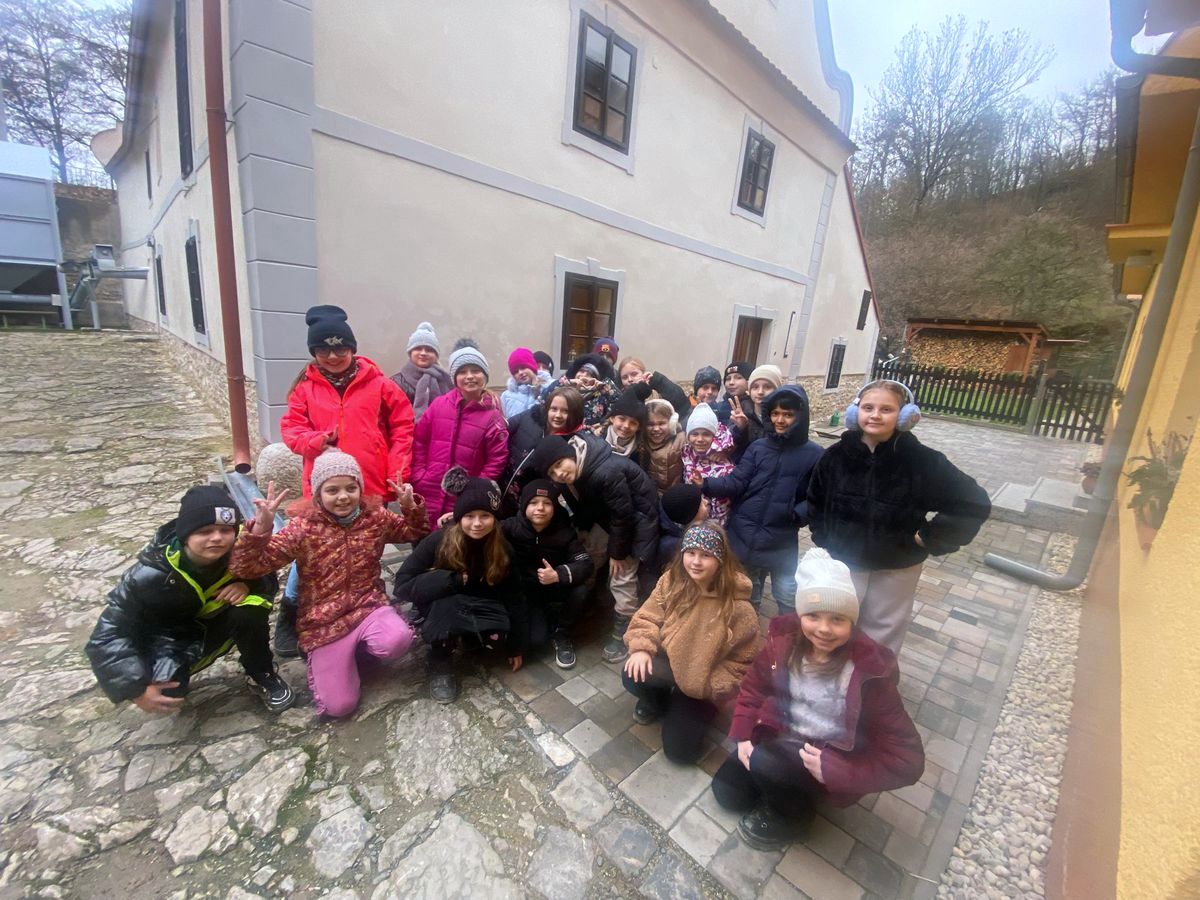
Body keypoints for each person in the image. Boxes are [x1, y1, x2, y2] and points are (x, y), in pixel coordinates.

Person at [712, 548, 925, 850]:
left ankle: (794, 816)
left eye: (837, 619)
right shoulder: (782, 644)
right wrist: (744, 735)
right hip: (776, 735)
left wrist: (843, 772)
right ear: (801, 615)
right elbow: (753, 689)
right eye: (813, 616)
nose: (824, 629)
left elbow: (907, 761)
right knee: (728, 793)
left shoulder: (870, 673)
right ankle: (775, 785)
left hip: (821, 757)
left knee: (766, 765)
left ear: (852, 621)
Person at [229, 452, 429, 718]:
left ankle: (362, 650)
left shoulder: (375, 517)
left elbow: (414, 532)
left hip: (367, 606)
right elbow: (247, 567)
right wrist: (259, 532)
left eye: (350, 488)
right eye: (332, 490)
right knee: (340, 707)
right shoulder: (303, 528)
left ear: (360, 488)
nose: (343, 497)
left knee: (397, 640)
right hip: (324, 621)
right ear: (318, 493)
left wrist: (410, 507)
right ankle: (329, 657)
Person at [807, 380, 991, 653]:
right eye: (868, 407)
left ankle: (872, 678)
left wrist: (929, 537)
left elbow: (973, 503)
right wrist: (825, 538)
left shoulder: (923, 461)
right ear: (855, 412)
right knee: (835, 626)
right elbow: (815, 499)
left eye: (886, 409)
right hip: (843, 560)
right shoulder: (834, 456)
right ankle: (832, 676)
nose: (875, 415)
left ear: (905, 416)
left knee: (882, 633)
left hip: (897, 565)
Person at [277, 305, 416, 656]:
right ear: (314, 352)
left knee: (365, 548)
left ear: (352, 348)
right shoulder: (305, 389)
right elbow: (291, 430)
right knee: (310, 550)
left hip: (368, 485)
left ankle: (362, 607)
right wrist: (317, 441)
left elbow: (403, 428)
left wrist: (396, 474)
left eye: (340, 348)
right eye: (323, 349)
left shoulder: (380, 385)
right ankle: (290, 611)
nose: (333, 356)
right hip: (323, 489)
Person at [86, 486, 293, 714]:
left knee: (251, 608)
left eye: (225, 530)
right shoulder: (147, 575)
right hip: (170, 640)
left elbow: (267, 576)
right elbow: (107, 635)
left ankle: (261, 672)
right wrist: (134, 686)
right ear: (185, 535)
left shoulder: (242, 549)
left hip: (217, 624)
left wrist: (247, 584)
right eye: (205, 531)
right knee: (168, 692)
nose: (217, 538)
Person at [622, 523, 760, 764]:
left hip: (701, 685)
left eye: (706, 555)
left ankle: (688, 711)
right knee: (632, 672)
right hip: (670, 664)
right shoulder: (671, 581)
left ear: (720, 560)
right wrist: (642, 647)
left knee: (679, 753)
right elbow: (647, 616)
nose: (696, 561)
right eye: (691, 553)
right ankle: (658, 701)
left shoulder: (739, 608)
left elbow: (745, 660)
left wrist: (712, 685)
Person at [393, 470, 526, 703]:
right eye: (469, 516)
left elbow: (515, 596)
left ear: (494, 518)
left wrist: (516, 645)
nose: (477, 523)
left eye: (485, 516)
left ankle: (469, 636)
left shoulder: (503, 547)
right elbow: (402, 584)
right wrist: (449, 580)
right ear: (459, 516)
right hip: (444, 602)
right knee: (446, 612)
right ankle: (440, 661)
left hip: (481, 602)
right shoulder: (439, 540)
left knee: (498, 640)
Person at [699, 385, 822, 611]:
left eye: (788, 414)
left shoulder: (815, 454)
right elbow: (737, 481)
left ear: (800, 416)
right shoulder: (758, 447)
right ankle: (749, 630)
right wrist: (706, 484)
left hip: (781, 537)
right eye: (775, 413)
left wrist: (797, 515)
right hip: (744, 533)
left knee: (786, 596)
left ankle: (788, 633)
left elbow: (818, 497)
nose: (780, 420)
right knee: (748, 595)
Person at [531, 434, 653, 663]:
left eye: (559, 464)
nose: (559, 473)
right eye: (552, 472)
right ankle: (585, 604)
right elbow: (584, 507)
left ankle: (625, 628)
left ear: (570, 454)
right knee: (588, 557)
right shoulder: (572, 475)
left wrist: (618, 553)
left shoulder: (605, 470)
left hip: (636, 524)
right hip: (607, 521)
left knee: (621, 574)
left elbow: (623, 515)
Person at [411, 339, 509, 528]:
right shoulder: (439, 405)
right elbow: (420, 441)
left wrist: (475, 491)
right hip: (429, 489)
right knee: (424, 541)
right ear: (454, 377)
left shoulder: (493, 417)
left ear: (485, 375)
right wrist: (419, 475)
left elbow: (496, 460)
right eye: (462, 372)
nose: (469, 376)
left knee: (454, 541)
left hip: (463, 496)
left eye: (475, 371)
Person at [501, 479, 595, 669]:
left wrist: (558, 574)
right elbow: (481, 529)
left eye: (547, 503)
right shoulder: (510, 527)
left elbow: (585, 563)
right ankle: (545, 617)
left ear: (554, 507)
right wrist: (457, 519)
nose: (540, 508)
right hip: (526, 593)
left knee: (580, 590)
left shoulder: (564, 532)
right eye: (533, 502)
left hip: (554, 586)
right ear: (524, 505)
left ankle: (562, 632)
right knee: (537, 641)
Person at [504, 386, 587, 513]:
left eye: (565, 411)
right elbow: (502, 431)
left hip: (531, 504)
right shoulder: (530, 417)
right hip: (502, 483)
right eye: (554, 409)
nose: (558, 415)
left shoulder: (573, 442)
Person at [681, 403, 736, 526]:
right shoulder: (686, 454)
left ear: (714, 436)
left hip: (713, 527)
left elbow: (722, 510)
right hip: (691, 522)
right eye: (695, 434)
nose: (700, 439)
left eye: (706, 434)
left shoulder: (724, 467)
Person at [391, 321, 454, 421]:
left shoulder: (446, 380)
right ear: (410, 353)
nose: (423, 353)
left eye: (429, 350)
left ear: (436, 355)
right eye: (418, 348)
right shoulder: (396, 383)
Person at [549, 354, 620, 427]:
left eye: (591, 374)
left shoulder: (601, 399)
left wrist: (605, 385)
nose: (584, 375)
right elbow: (545, 399)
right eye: (582, 371)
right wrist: (566, 383)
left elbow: (620, 405)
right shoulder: (564, 391)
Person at [656, 483, 710, 572]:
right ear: (690, 516)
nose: (707, 502)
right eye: (701, 504)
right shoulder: (674, 546)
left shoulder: (683, 530)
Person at [596, 381, 652, 461]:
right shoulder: (596, 440)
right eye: (622, 419)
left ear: (639, 427)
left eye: (633, 423)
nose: (626, 426)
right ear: (612, 418)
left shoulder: (640, 451)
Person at [616, 356, 691, 413]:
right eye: (624, 377)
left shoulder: (656, 392)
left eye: (634, 374)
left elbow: (682, 404)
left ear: (643, 373)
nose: (630, 379)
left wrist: (658, 382)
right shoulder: (619, 399)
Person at [641, 398, 685, 495]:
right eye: (650, 424)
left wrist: (716, 453)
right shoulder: (641, 442)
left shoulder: (682, 440)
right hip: (651, 495)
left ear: (672, 423)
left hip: (675, 495)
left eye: (661, 423)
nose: (656, 429)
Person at [501, 347, 554, 420]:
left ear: (532, 367)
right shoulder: (506, 396)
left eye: (523, 367)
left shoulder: (549, 389)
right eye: (515, 371)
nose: (520, 373)